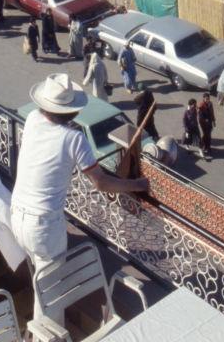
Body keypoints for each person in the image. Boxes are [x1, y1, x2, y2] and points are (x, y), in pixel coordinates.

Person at [10, 74, 147, 321]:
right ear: (72, 112)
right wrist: (136, 185)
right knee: (51, 295)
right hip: (42, 225)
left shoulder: (32, 119)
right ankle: (47, 336)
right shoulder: (74, 138)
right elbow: (102, 182)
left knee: (42, 281)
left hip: (18, 213)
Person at [197, 92, 215, 158]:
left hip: (209, 122)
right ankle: (203, 147)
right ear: (203, 98)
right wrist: (205, 120)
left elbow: (212, 113)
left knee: (209, 135)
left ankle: (208, 147)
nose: (208, 100)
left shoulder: (210, 103)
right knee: (205, 135)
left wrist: (213, 121)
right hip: (203, 124)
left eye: (208, 98)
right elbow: (199, 116)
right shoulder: (201, 105)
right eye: (206, 99)